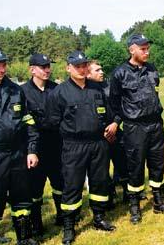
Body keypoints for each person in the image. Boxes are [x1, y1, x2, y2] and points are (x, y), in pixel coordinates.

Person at [46, 51, 117, 244]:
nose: (82, 69)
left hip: (98, 144)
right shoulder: (59, 93)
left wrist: (113, 123)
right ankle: (69, 226)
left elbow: (109, 113)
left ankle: (99, 218)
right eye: (77, 66)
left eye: (84, 65)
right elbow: (52, 123)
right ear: (68, 68)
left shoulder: (97, 88)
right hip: (73, 146)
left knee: (99, 181)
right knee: (72, 186)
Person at [109, 34, 164, 224]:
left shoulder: (151, 69)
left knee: (158, 163)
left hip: (155, 123)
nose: (147, 52)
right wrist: (120, 119)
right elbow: (114, 102)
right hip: (135, 127)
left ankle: (159, 201)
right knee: (135, 166)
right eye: (142, 49)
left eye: (148, 48)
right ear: (132, 50)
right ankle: (135, 207)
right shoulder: (119, 73)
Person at [0, 48, 39, 245]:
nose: (2, 69)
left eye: (4, 64)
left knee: (22, 199)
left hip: (18, 154)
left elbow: (29, 121)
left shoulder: (15, 89)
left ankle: (25, 238)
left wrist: (31, 150)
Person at [20, 53, 64, 236]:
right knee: (35, 189)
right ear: (32, 69)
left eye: (48, 66)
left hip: (56, 145)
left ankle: (62, 216)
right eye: (43, 67)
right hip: (35, 149)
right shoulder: (22, 92)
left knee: (60, 184)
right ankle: (37, 224)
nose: (48, 70)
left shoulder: (56, 89)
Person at [86, 60, 130, 207]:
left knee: (123, 164)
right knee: (101, 170)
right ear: (87, 73)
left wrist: (116, 123)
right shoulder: (85, 91)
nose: (101, 72)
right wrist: (102, 132)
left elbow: (122, 106)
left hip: (115, 131)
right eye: (97, 70)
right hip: (98, 137)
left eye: (101, 69)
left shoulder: (110, 87)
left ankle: (127, 193)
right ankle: (108, 197)